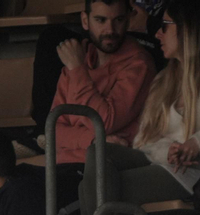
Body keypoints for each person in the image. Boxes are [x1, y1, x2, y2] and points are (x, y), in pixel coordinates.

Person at [79, 0, 200, 215]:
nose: (158, 34)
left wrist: (198, 141)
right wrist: (167, 151)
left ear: (187, 29)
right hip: (158, 159)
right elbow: (142, 141)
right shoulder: (164, 79)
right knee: (97, 152)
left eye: (165, 26)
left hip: (190, 171)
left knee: (91, 188)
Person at [47, 0, 154, 182]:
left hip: (105, 172)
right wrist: (95, 139)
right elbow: (53, 130)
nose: (110, 30)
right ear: (85, 21)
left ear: (128, 20)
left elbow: (105, 122)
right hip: (63, 166)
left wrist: (77, 70)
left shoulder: (139, 64)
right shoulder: (79, 59)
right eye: (100, 20)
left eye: (118, 20)